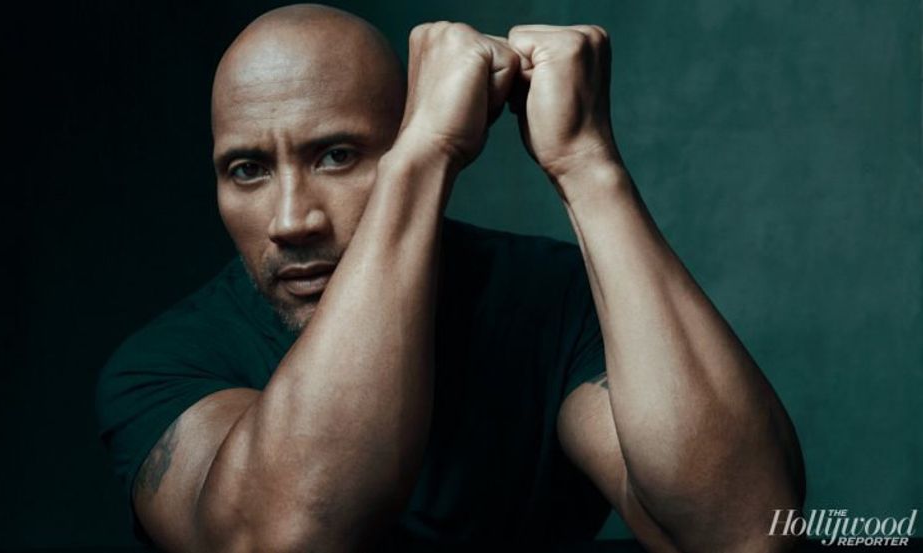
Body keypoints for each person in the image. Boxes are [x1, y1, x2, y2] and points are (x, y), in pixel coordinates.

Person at [95, 4, 805, 552]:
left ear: (401, 137)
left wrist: (586, 165)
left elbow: (743, 529)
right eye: (247, 170)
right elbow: (286, 537)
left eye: (337, 155)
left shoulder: (552, 304)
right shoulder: (165, 365)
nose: (291, 220)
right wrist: (423, 154)